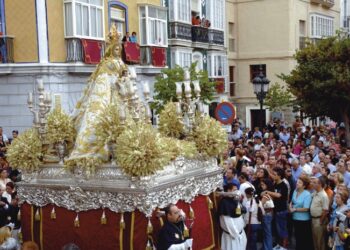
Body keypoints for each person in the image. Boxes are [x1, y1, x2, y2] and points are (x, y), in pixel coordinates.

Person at [262, 167, 289, 249]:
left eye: (275, 175)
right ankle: (279, 245)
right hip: (275, 209)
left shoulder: (283, 185)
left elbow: (278, 195)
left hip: (281, 211)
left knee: (282, 229)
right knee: (277, 230)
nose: (273, 176)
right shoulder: (275, 183)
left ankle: (284, 246)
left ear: (280, 176)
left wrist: (267, 192)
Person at [218, 185, 247, 250]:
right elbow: (227, 221)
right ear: (228, 191)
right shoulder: (224, 203)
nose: (237, 192)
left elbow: (240, 214)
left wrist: (241, 231)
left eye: (237, 190)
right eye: (234, 190)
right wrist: (236, 234)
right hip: (232, 236)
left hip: (241, 234)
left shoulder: (235, 200)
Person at [289, 176, 313, 250]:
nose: (297, 183)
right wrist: (290, 207)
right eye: (297, 182)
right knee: (297, 237)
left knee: (303, 239)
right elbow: (292, 201)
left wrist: (295, 209)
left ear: (304, 185)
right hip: (295, 218)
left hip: (303, 220)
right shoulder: (295, 191)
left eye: (299, 182)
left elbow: (306, 208)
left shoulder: (307, 194)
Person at [310, 176, 329, 250]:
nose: (312, 184)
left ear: (320, 184)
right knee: (315, 240)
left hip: (318, 220)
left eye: (315, 183)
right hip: (313, 219)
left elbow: (325, 210)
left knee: (320, 241)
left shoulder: (324, 195)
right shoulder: (315, 192)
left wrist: (320, 221)